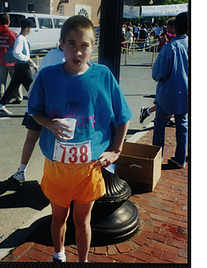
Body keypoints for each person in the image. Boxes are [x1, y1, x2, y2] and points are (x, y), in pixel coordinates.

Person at [28, 15, 132, 262]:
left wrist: (115, 150)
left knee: (82, 220)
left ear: (92, 47)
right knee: (58, 218)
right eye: (72, 44)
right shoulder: (47, 76)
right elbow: (36, 112)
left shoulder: (103, 76)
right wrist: (50, 123)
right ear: (61, 44)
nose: (78, 51)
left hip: (89, 167)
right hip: (57, 166)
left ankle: (82, 260)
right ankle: (59, 254)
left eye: (84, 45)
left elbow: (123, 117)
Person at [12, 45, 65, 181]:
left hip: (37, 100)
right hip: (53, 104)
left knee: (31, 138)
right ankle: (55, 176)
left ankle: (21, 171)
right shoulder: (67, 58)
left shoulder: (51, 53)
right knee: (58, 141)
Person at [152, 12, 188, 168]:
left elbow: (157, 74)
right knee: (182, 125)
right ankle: (180, 159)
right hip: (187, 94)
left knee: (160, 124)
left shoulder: (169, 48)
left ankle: (157, 157)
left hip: (168, 94)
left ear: (176, 27)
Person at [0, 18, 37, 115]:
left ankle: (2, 105)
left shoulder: (21, 38)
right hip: (23, 66)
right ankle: (35, 109)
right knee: (32, 88)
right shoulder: (20, 39)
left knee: (13, 87)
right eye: (30, 28)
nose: (31, 30)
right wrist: (29, 60)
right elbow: (16, 53)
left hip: (20, 66)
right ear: (26, 28)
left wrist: (33, 64)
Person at [0, 13, 22, 104]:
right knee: (15, 80)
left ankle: (0, 97)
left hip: (0, 61)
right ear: (8, 22)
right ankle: (18, 97)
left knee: (1, 81)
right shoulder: (13, 34)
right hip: (12, 62)